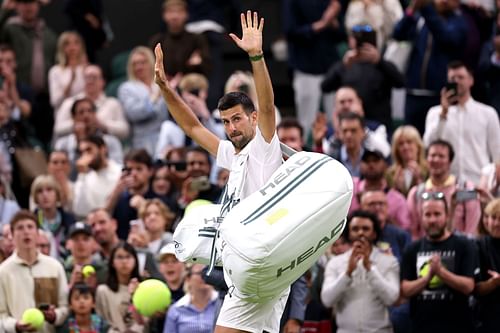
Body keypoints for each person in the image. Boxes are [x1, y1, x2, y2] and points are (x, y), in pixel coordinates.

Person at [155, 10, 288, 333]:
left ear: (253, 118)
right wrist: (164, 87)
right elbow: (191, 125)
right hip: (254, 267)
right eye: (226, 121)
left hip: (261, 264)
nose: (230, 128)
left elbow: (268, 104)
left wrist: (256, 55)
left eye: (237, 119)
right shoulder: (231, 153)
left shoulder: (265, 147)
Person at [400, 194, 479, 333]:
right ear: (421, 217)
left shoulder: (465, 245)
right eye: (427, 215)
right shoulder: (412, 249)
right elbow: (405, 290)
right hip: (422, 326)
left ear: (447, 216)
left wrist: (441, 273)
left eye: (437, 214)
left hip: (458, 327)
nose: (432, 220)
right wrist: (428, 277)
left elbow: (468, 286)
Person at [321, 210, 400, 333]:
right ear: (349, 233)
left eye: (366, 228)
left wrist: (370, 269)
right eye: (355, 229)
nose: (360, 232)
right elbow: (327, 300)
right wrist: (347, 273)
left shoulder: (389, 261)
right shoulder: (335, 263)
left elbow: (392, 298)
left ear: (374, 233)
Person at [423, 61, 500, 184]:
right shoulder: (435, 113)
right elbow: (428, 145)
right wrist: (443, 115)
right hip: (446, 184)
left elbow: (497, 154)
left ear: (471, 80)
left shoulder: (488, 114)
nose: (457, 81)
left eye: (461, 77)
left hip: (478, 183)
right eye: (452, 78)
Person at [321, 27, 405, 132]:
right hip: (349, 125)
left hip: (379, 125)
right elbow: (325, 86)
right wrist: (343, 65)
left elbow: (400, 82)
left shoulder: (382, 65)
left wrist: (379, 62)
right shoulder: (346, 64)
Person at [0, 210, 68, 333]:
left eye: (30, 227)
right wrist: (15, 325)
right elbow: (1, 315)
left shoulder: (55, 266)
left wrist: (55, 316)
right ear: (12, 234)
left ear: (37, 233)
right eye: (20, 228)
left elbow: (64, 307)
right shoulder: (3, 271)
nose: (26, 232)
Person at [407, 139, 481, 239]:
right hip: (426, 251)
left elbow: (472, 228)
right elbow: (414, 232)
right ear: (426, 159)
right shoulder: (416, 193)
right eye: (432, 155)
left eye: (441, 156)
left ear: (450, 161)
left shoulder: (466, 188)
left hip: (460, 248)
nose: (436, 160)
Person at [54, 64, 130, 140]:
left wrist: (102, 125)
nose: (90, 81)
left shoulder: (113, 103)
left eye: (94, 77)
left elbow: (125, 131)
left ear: (102, 81)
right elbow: (57, 129)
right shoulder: (69, 102)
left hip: (106, 146)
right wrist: (75, 124)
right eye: (87, 78)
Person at [118, 47, 168, 155]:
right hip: (142, 142)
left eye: (143, 62)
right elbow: (134, 113)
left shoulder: (161, 83)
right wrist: (154, 98)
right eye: (135, 64)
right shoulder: (127, 88)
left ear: (151, 63)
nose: (139, 67)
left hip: (167, 138)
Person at [349, 149, 411, 230]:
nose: (371, 164)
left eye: (375, 161)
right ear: (360, 165)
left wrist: (386, 220)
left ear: (385, 165)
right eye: (366, 161)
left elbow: (405, 231)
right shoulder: (350, 188)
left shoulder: (398, 199)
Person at [54, 97, 124, 168]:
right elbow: (66, 174)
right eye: (81, 112)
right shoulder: (63, 144)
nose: (86, 115)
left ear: (95, 114)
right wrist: (80, 142)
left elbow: (117, 169)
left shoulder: (111, 141)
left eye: (89, 111)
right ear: (73, 117)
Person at [149, 0, 211, 79]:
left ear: (186, 14)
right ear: (164, 15)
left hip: (190, 85)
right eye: (170, 12)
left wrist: (198, 64)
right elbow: (151, 68)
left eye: (179, 11)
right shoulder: (157, 40)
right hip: (163, 84)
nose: (175, 16)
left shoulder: (197, 39)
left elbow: (208, 69)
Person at [95, 242, 144, 333]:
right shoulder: (103, 291)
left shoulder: (144, 288)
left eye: (128, 257)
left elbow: (145, 322)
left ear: (135, 261)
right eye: (120, 257)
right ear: (112, 262)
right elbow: (100, 322)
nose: (124, 261)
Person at [72, 135, 122, 220]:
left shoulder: (120, 172)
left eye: (89, 150)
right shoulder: (85, 179)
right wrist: (82, 175)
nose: (85, 156)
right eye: (82, 153)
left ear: (103, 149)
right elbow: (80, 211)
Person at [31, 174, 76, 259]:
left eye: (49, 190)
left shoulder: (69, 220)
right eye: (40, 191)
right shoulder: (31, 222)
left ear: (57, 194)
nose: (45, 195)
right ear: (35, 197)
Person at [164, 263, 218, 333]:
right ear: (188, 278)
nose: (206, 276)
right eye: (200, 273)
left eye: (209, 272)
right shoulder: (176, 310)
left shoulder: (223, 304)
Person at [475, 198, 500, 333]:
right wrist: (493, 283)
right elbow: (476, 288)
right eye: (493, 218)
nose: (496, 223)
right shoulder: (479, 245)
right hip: (488, 315)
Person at [48, 31, 87, 109]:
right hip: (64, 113)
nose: (72, 47)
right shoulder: (55, 71)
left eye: (76, 43)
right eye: (67, 44)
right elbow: (55, 102)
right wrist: (71, 81)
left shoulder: (88, 70)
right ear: (61, 47)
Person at [387, 125, 428, 196]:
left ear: (418, 146)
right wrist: (396, 188)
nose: (405, 147)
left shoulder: (428, 170)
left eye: (409, 142)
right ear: (396, 149)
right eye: (401, 144)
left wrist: (420, 181)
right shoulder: (390, 173)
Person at [64, 222, 107, 289]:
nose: (81, 243)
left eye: (85, 239)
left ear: (93, 243)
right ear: (68, 244)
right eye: (76, 239)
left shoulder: (104, 270)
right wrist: (71, 285)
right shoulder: (61, 269)